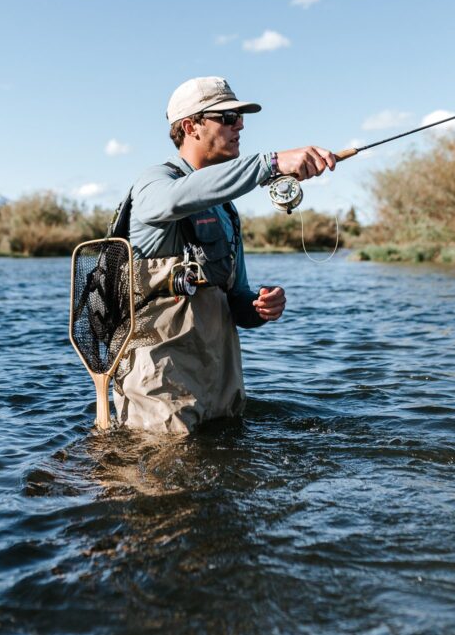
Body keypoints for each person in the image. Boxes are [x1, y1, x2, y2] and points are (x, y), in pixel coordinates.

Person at [111, 76, 336, 434]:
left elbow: (237, 301)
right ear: (190, 127)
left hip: (221, 389)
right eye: (227, 117)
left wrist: (259, 307)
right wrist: (273, 163)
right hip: (161, 392)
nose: (241, 125)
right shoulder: (153, 182)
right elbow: (172, 201)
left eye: (240, 117)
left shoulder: (226, 209)